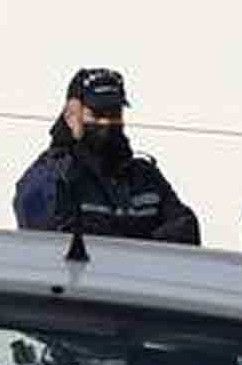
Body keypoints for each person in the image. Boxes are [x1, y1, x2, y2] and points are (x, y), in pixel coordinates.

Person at [11, 66, 199, 244]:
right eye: (98, 113)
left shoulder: (146, 176)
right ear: (71, 116)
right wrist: (141, 243)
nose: (107, 122)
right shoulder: (51, 177)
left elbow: (186, 228)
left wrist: (135, 249)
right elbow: (54, 245)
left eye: (115, 113)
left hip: (144, 269)